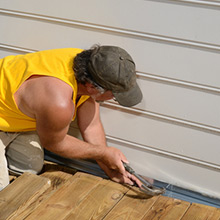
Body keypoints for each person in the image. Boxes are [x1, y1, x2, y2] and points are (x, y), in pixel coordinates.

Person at [0, 45, 143, 190]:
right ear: (92, 87)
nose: (112, 98)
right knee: (3, 191)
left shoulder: (92, 67)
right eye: (114, 95)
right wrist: (104, 154)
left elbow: (91, 127)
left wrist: (109, 169)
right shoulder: (57, 102)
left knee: (30, 169)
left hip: (13, 114)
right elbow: (55, 144)